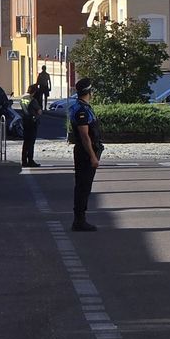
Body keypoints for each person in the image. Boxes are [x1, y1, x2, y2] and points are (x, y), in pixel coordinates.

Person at [70, 78, 102, 232]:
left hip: (86, 151)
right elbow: (84, 135)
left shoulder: (83, 107)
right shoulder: (82, 110)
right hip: (85, 152)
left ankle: (80, 219)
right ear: (88, 92)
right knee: (83, 186)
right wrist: (92, 156)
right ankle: (79, 220)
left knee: (84, 186)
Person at [20, 83, 43, 168]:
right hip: (32, 122)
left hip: (25, 122)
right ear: (34, 92)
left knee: (25, 142)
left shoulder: (23, 99)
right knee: (31, 142)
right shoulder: (33, 100)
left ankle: (23, 160)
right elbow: (39, 111)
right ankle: (30, 160)